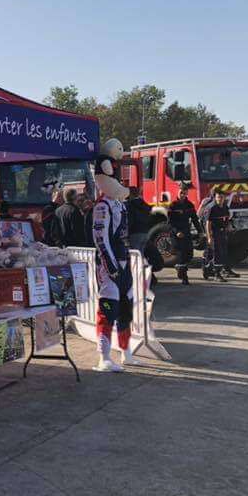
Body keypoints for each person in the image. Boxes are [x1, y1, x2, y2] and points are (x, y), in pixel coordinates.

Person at [91, 138, 135, 372]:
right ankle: (104, 357)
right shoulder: (102, 206)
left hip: (124, 261)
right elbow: (101, 238)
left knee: (126, 307)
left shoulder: (119, 204)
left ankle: (126, 351)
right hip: (111, 265)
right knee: (108, 308)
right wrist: (110, 265)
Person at [168, 183, 204, 285]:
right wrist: (177, 232)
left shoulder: (189, 205)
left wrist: (200, 231)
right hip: (177, 234)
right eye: (181, 193)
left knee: (189, 255)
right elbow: (169, 222)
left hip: (186, 233)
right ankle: (184, 277)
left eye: (185, 193)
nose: (183, 195)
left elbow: (195, 220)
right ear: (178, 192)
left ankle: (179, 268)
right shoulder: (173, 205)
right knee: (181, 255)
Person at [206, 190, 232, 282]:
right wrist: (209, 237)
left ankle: (210, 268)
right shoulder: (212, 208)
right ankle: (216, 274)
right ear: (215, 198)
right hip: (215, 232)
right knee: (217, 253)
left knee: (223, 252)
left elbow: (227, 219)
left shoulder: (225, 207)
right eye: (218, 197)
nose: (220, 199)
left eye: (222, 197)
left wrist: (228, 227)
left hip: (222, 232)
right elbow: (208, 224)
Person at [126, 187, 153, 252]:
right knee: (141, 254)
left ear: (130, 194)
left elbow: (130, 220)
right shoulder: (146, 205)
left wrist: (127, 231)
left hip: (135, 232)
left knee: (134, 254)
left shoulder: (130, 205)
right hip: (145, 232)